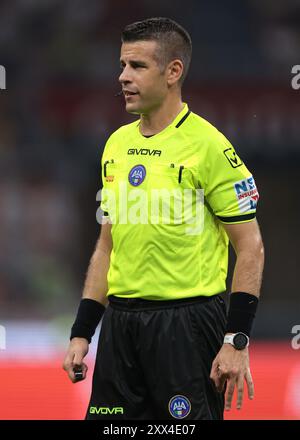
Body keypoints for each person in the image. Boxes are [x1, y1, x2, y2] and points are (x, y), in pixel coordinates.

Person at [63, 17, 264, 420]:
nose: (122, 77)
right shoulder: (115, 145)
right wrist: (83, 331)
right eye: (121, 65)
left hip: (187, 326)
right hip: (121, 327)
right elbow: (107, 245)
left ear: (173, 72)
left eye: (137, 66)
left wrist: (236, 340)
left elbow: (251, 247)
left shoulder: (209, 146)